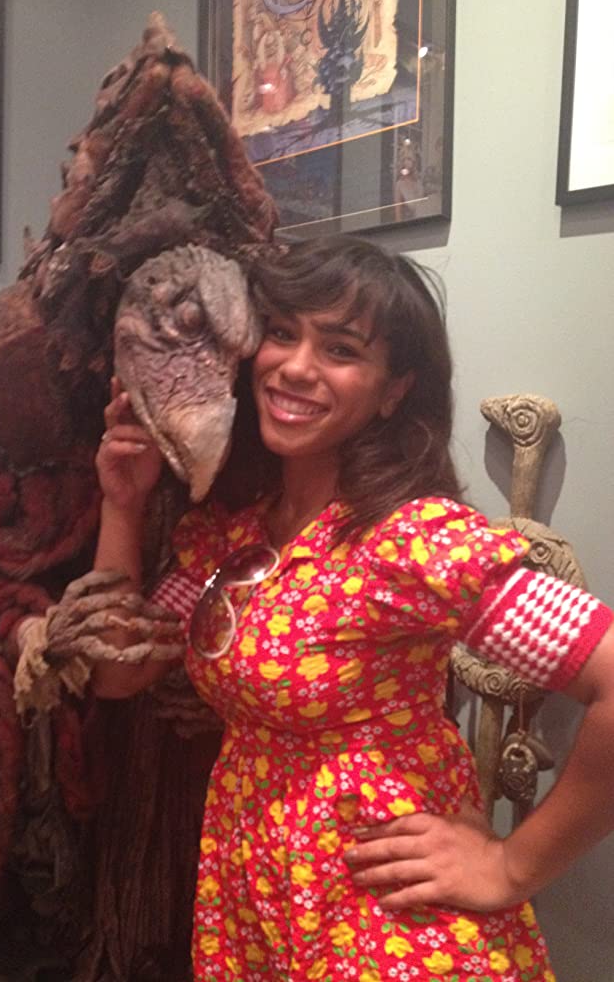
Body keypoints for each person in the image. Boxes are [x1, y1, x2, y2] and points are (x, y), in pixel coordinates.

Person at [91, 235, 614, 982]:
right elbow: (117, 675)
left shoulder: (411, 541)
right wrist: (123, 504)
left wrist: (510, 867)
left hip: (383, 925)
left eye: (340, 349)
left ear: (392, 390)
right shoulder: (229, 540)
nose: (295, 366)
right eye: (281, 333)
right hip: (256, 907)